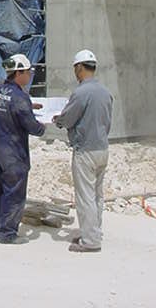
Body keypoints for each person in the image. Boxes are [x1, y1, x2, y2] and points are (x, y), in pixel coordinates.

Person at [53, 49, 113, 253]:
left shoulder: (80, 93)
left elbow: (68, 118)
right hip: (102, 148)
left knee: (85, 196)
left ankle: (90, 241)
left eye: (75, 69)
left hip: (85, 150)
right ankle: (95, 231)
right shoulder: (105, 92)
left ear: (79, 67)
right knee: (97, 195)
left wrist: (57, 120)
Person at [0, 53, 46, 244]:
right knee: (15, 192)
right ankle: (7, 234)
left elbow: (11, 106)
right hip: (14, 153)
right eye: (28, 72)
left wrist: (29, 104)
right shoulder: (20, 98)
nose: (30, 75)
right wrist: (43, 126)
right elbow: (33, 127)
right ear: (18, 72)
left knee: (1, 189)